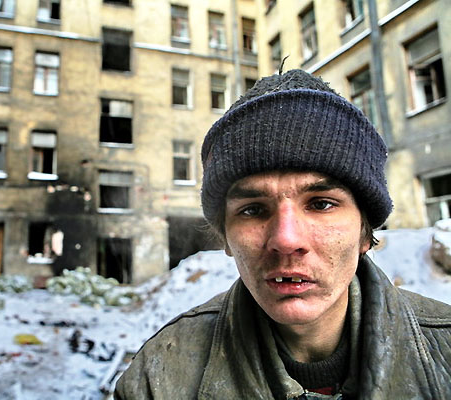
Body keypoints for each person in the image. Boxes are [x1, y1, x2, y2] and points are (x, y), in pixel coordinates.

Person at [115, 69, 451, 399]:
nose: (286, 240)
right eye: (253, 210)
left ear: (365, 231)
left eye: (321, 204)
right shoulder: (157, 378)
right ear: (226, 236)